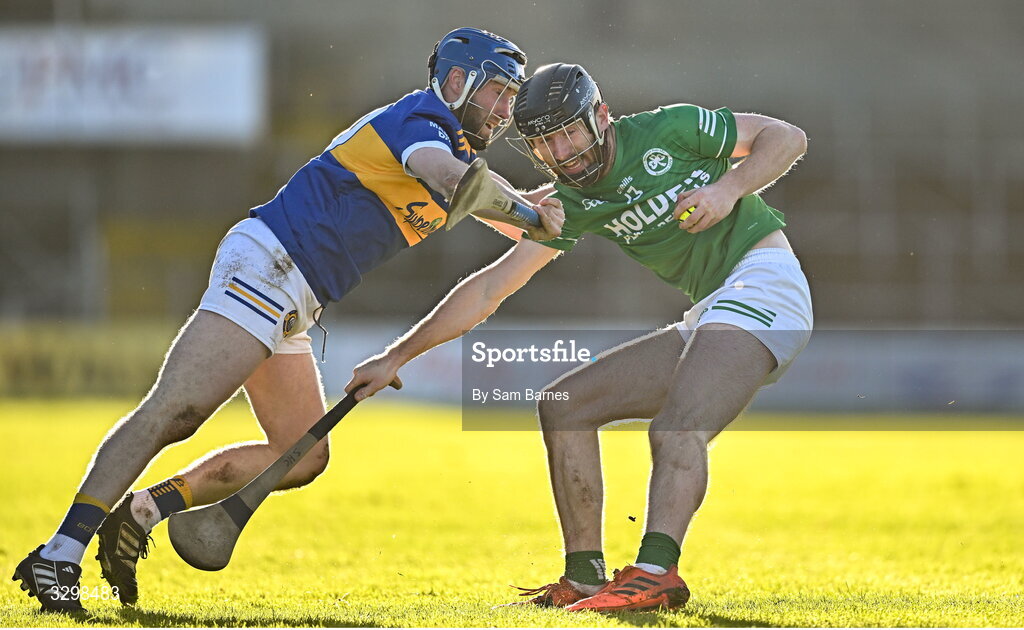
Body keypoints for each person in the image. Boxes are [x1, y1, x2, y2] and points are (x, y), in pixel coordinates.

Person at [13, 28, 563, 614]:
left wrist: (572, 204)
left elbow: (503, 211)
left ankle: (143, 510)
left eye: (511, 97)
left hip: (297, 295)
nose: (505, 111)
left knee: (300, 456)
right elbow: (458, 183)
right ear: (457, 81)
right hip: (271, 263)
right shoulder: (421, 122)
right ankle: (58, 554)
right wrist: (533, 213)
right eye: (498, 93)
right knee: (176, 410)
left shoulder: (464, 157)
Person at [346, 62, 812, 612]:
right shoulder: (572, 202)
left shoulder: (670, 129)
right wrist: (396, 355)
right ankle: (585, 577)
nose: (564, 152)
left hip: (766, 284)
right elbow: (490, 287)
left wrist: (728, 189)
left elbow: (788, 137)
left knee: (678, 428)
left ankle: (657, 572)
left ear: (601, 115)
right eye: (546, 143)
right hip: (712, 311)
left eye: (570, 130)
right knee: (564, 406)